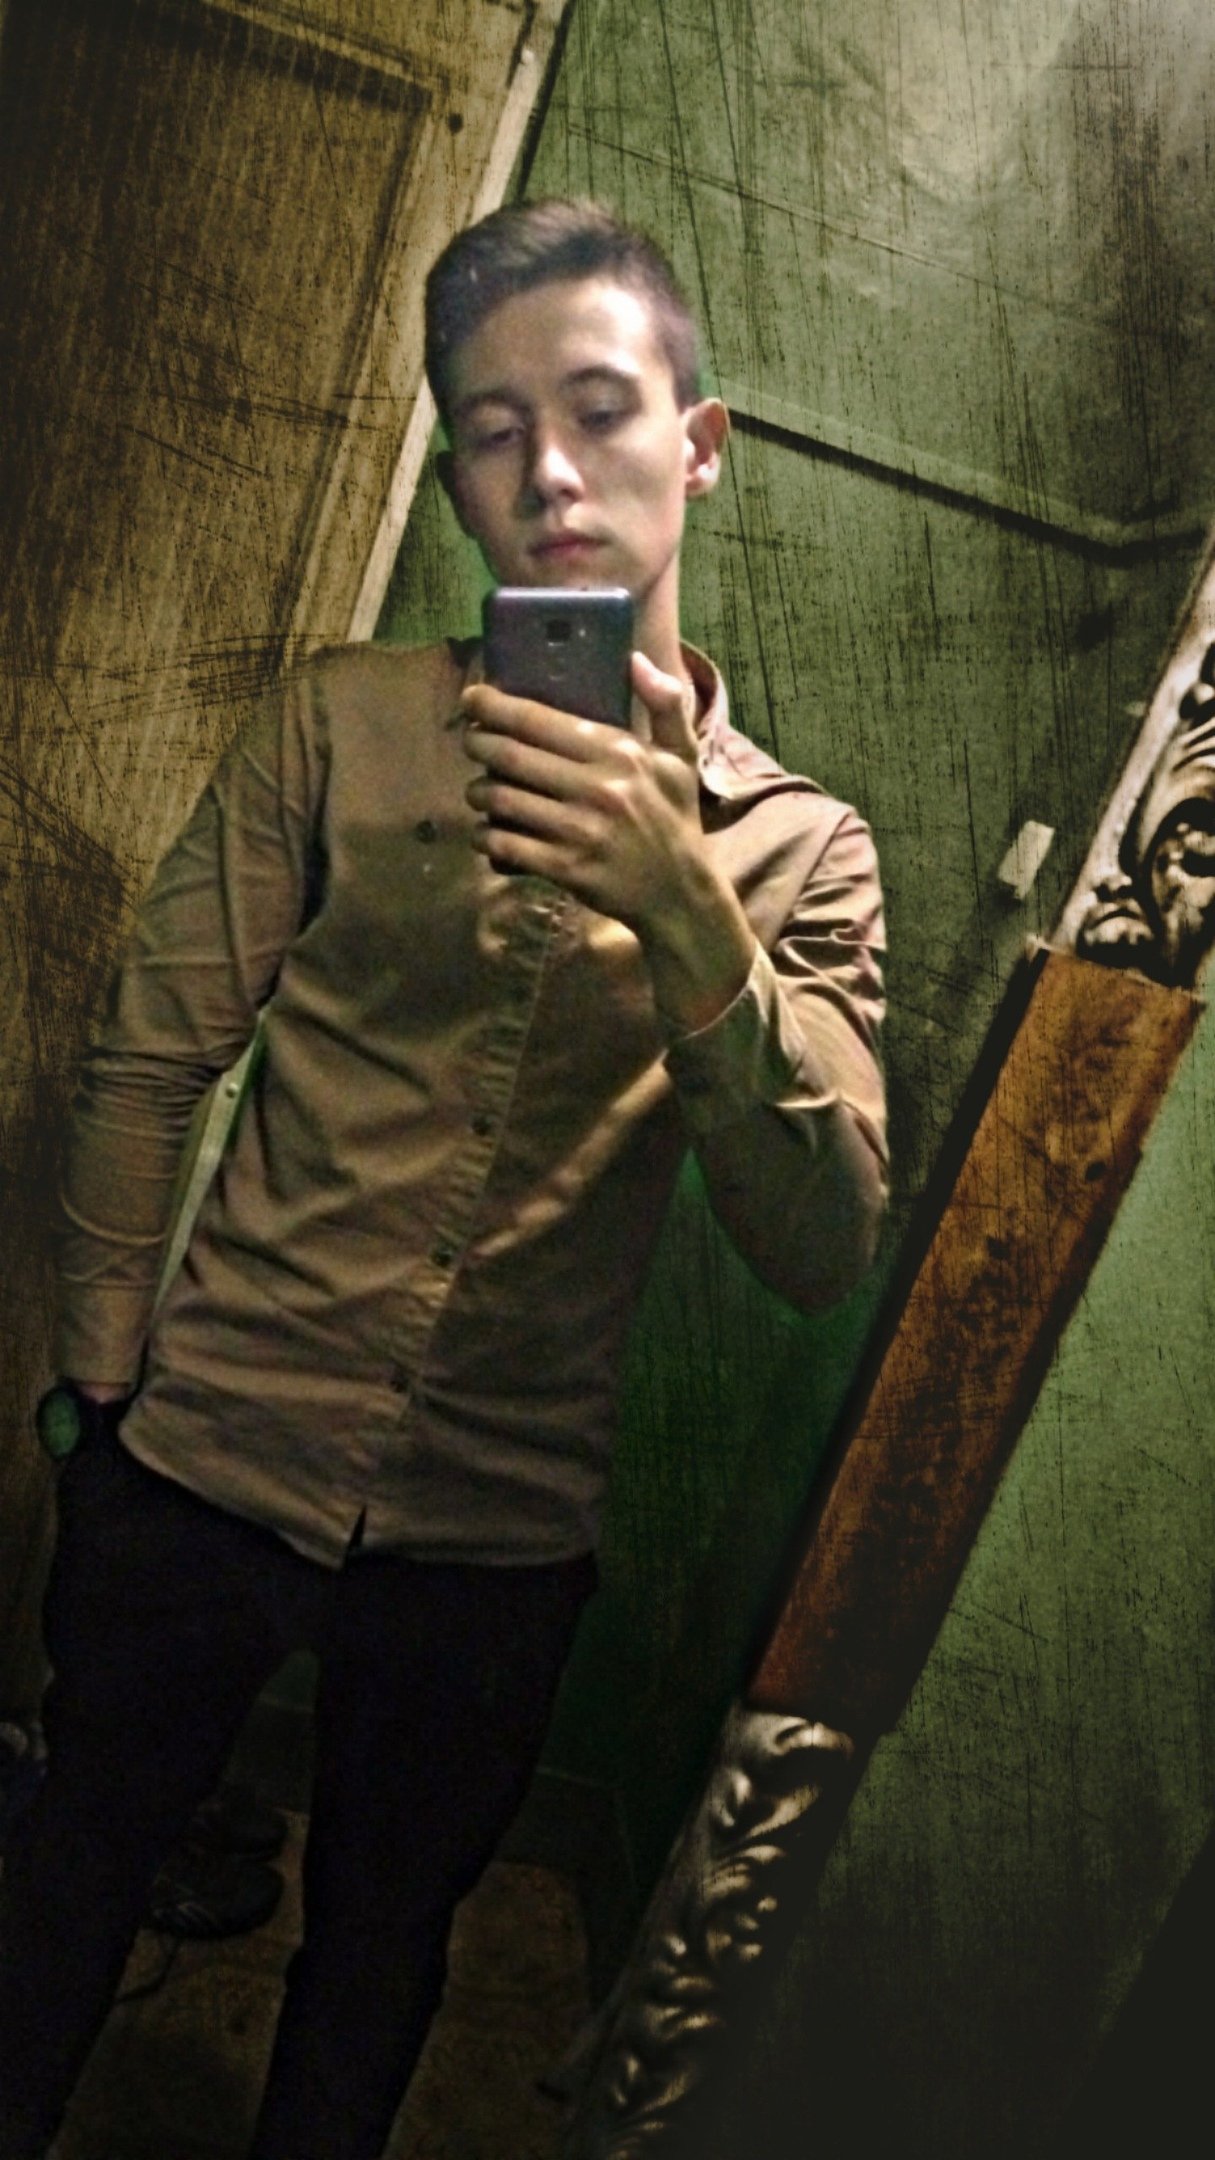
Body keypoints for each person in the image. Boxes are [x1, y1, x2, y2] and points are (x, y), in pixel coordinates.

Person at [0, 198, 888, 2159]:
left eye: (598, 409)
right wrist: (98, 1399)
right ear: (457, 473)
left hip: (494, 1531)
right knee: (69, 1878)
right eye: (491, 430)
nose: (547, 473)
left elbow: (821, 1243)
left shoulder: (803, 854)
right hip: (201, 1456)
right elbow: (147, 1054)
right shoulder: (335, 723)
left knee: (383, 1955)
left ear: (699, 442)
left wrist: (682, 905)